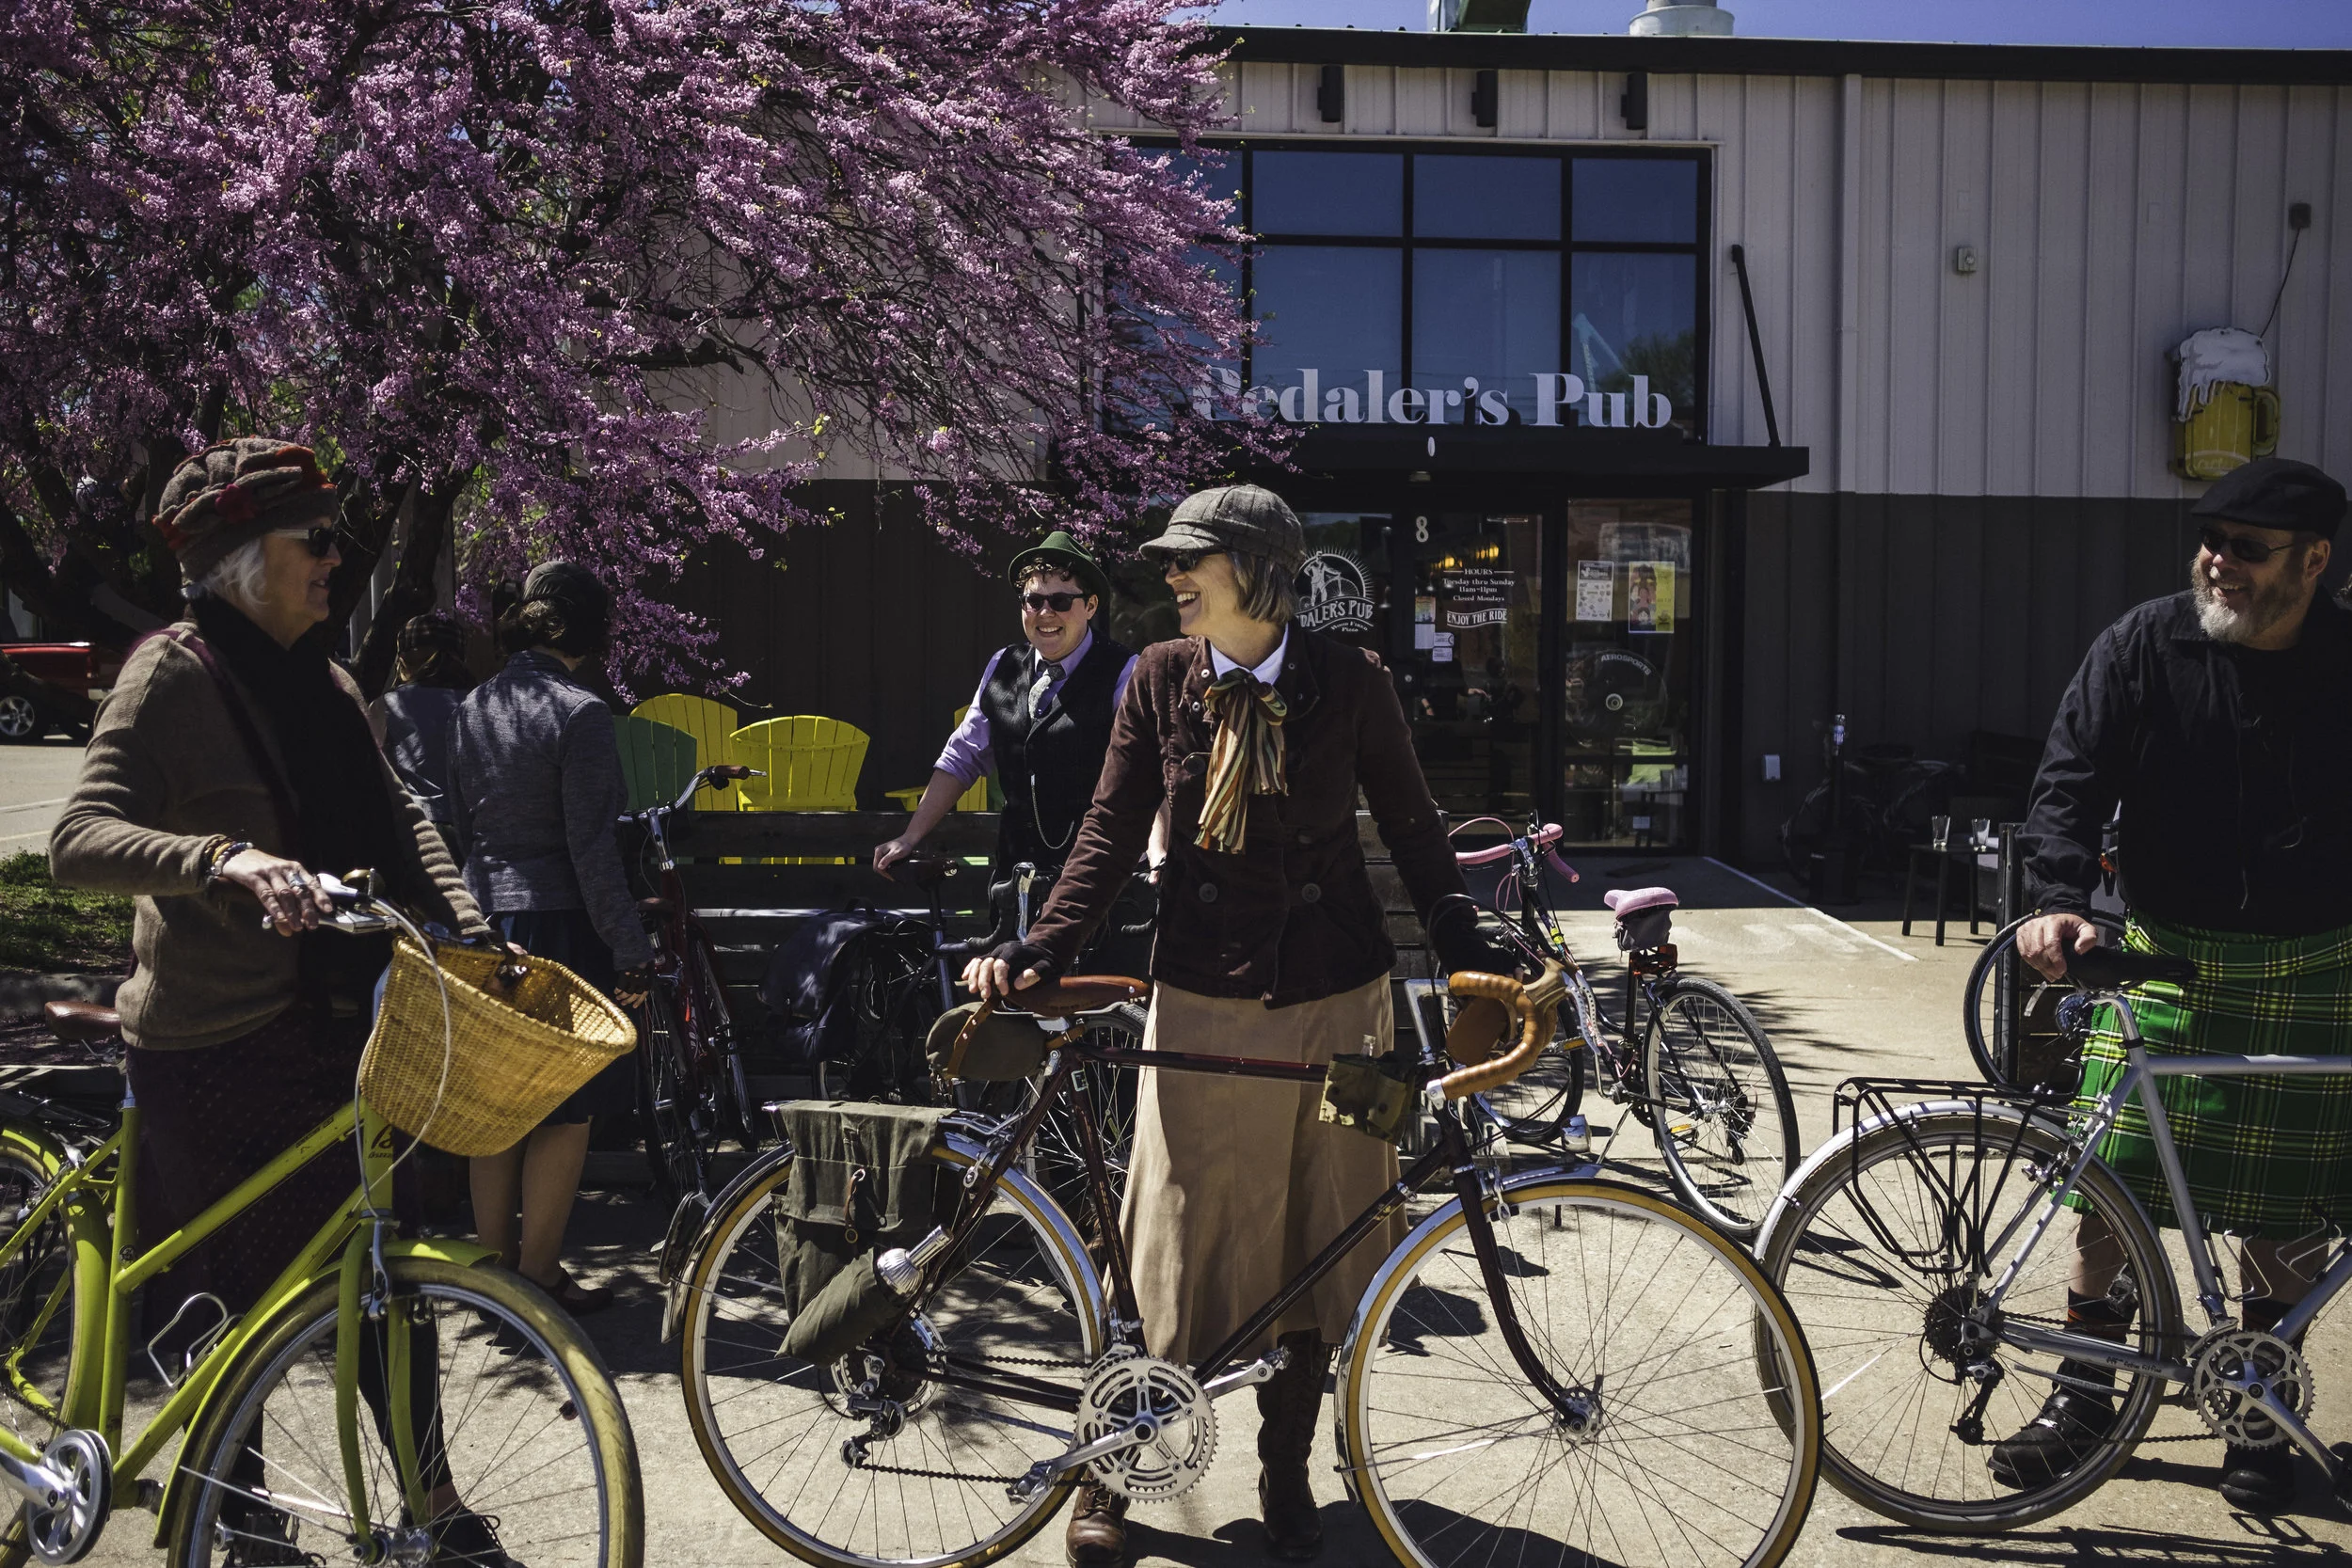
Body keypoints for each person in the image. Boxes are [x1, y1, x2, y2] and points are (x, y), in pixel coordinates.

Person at [965, 485, 1518, 1565]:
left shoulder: (1352, 680)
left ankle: (1285, 1466)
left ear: (1257, 571)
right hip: (1201, 997)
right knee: (1164, 1240)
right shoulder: (1158, 676)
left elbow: (1413, 827)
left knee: (1330, 1229)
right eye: (1170, 560)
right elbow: (1110, 827)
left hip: (1348, 1005)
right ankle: (1112, 1464)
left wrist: (1467, 945)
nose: (1171, 576)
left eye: (1192, 560)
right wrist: (1045, 943)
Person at [49, 436, 503, 1560]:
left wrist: (472, 929)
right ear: (246, 557)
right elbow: (77, 839)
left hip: (345, 1031)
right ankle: (235, 1512)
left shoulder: (333, 680)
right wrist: (222, 858)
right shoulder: (170, 674)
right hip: (216, 1040)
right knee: (224, 1306)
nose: (338, 559)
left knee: (384, 1287)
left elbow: (403, 817)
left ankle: (436, 1507)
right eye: (318, 540)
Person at [2001, 456, 2352, 1512]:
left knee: (2286, 1206)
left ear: (2314, 561)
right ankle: (2084, 1393)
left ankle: (2256, 1405)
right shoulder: (2146, 643)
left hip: (2316, 958)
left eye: (2247, 548)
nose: (2218, 561)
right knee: (2110, 1188)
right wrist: (2057, 897)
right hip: (2163, 951)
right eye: (2210, 539)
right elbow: (2069, 778)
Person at [448, 562, 651, 1316]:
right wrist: (630, 948)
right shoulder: (581, 713)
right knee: (566, 1107)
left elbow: (460, 828)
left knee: (495, 1106)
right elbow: (592, 849)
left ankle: (491, 1276)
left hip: (482, 924)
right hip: (559, 924)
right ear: (587, 628)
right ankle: (538, 1273)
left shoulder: (473, 706)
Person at [873, 531, 1137, 931]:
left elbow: (1144, 771)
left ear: (1091, 606)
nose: (1045, 613)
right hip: (1016, 880)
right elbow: (962, 758)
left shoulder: (1123, 672)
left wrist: (1157, 853)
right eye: (1034, 600)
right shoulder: (1003, 665)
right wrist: (909, 837)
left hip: (1096, 882)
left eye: (1060, 601)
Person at [371, 610, 474, 858]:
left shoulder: (387, 705)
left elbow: (372, 774)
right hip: (474, 829)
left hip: (416, 829)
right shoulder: (480, 701)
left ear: (405, 658)